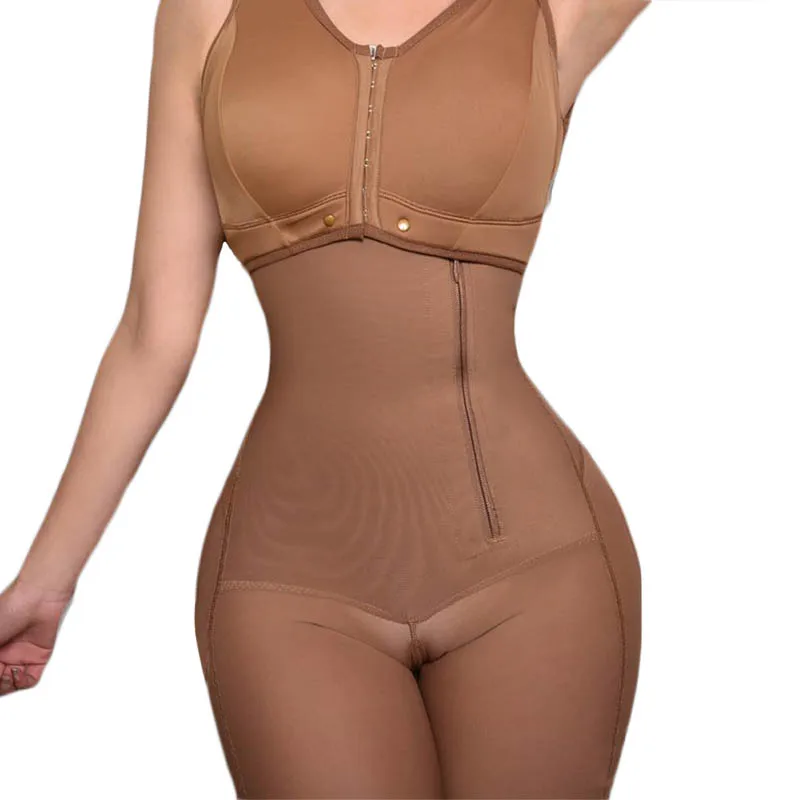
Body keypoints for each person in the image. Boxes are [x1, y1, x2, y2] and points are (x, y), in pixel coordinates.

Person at [0, 0, 651, 797]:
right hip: (289, 579)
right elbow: (153, 333)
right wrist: (44, 585)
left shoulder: (553, 9)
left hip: (532, 568)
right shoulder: (207, 12)